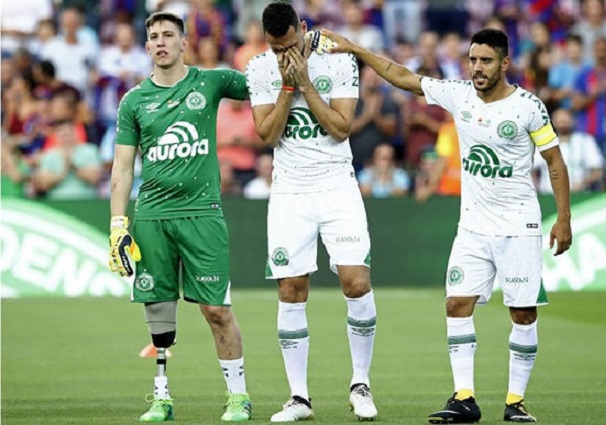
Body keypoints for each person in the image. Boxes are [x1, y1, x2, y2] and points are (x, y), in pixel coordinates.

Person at [321, 27, 572, 424]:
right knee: (456, 304)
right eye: (473, 60)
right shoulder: (459, 94)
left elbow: (554, 162)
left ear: (505, 63)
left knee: (523, 312)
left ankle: (516, 402)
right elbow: (403, 77)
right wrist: (354, 48)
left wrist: (563, 217)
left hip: (518, 225)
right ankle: (464, 397)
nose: (477, 68)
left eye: (486, 61)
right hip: (472, 226)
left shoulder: (528, 107)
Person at [108, 11, 252, 423]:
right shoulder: (134, 100)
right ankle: (161, 397)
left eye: (168, 34)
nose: (160, 41)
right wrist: (118, 224)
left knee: (217, 310)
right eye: (153, 36)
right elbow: (122, 168)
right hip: (153, 216)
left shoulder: (211, 82)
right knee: (158, 311)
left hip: (202, 213)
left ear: (184, 42)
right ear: (146, 46)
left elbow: (262, 85)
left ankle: (238, 396)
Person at [245, 2, 378, 422]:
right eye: (276, 48)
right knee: (290, 289)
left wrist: (305, 84)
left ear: (302, 28)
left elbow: (340, 128)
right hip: (290, 192)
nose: (284, 54)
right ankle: (299, 398)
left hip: (338, 186)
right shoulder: (259, 68)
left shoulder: (338, 61)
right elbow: (267, 136)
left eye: (289, 45)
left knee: (356, 281)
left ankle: (360, 384)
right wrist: (287, 88)